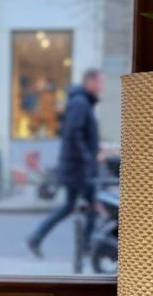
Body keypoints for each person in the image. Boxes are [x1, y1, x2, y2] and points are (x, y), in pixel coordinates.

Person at [27, 69, 104, 258]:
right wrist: (88, 157)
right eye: (100, 81)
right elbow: (73, 134)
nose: (103, 86)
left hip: (78, 167)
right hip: (78, 169)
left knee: (77, 206)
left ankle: (39, 238)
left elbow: (80, 135)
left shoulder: (82, 101)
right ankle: (85, 246)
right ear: (90, 81)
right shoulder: (80, 103)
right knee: (90, 205)